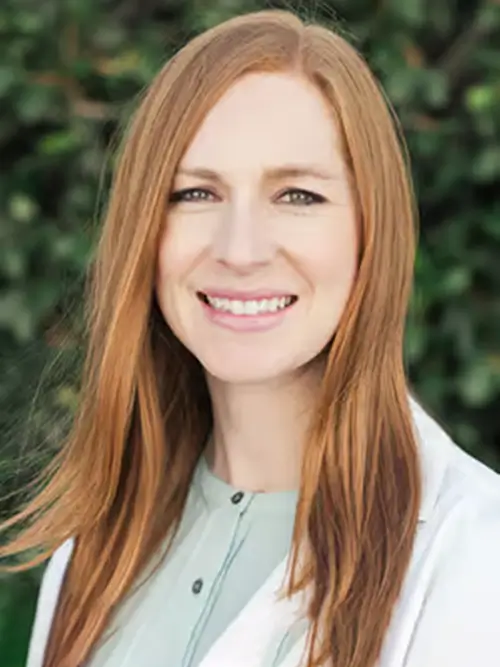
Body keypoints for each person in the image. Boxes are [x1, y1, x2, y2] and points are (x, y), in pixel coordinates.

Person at [1, 8, 499, 667]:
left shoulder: (475, 554)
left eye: (296, 195)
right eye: (195, 194)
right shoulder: (94, 551)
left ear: (370, 231)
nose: (240, 249)